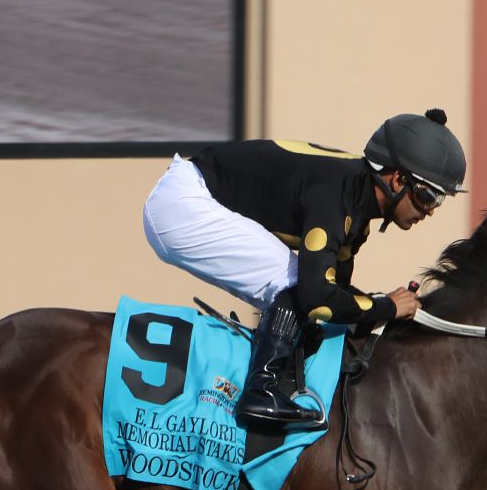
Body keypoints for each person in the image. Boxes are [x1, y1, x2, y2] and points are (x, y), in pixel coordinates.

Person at [142, 108, 465, 430]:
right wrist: (385, 305)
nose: (430, 212)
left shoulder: (356, 210)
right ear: (397, 178)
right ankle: (260, 392)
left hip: (189, 198)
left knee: (304, 293)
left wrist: (380, 307)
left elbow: (335, 294)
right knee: (297, 283)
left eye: (439, 201)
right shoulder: (337, 196)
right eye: (427, 196)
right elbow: (318, 298)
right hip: (183, 204)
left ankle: (275, 381)